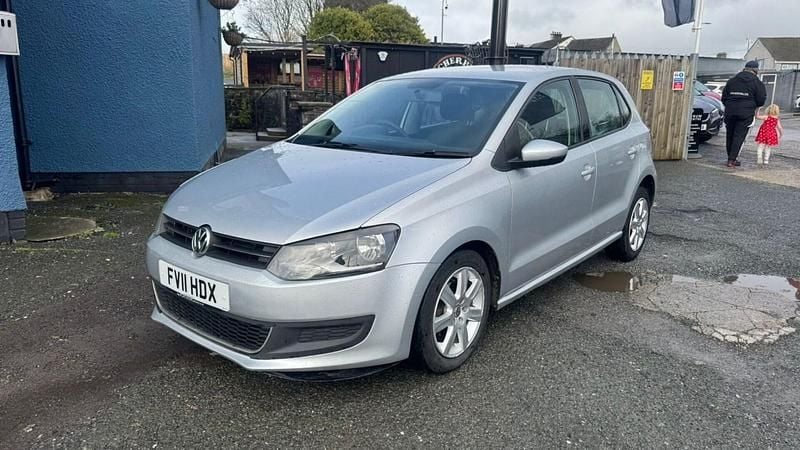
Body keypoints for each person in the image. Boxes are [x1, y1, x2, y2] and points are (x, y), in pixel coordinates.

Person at [721, 60, 767, 168]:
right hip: (746, 113)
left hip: (730, 111)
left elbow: (724, 97)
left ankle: (730, 158)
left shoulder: (732, 81)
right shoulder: (757, 83)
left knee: (730, 135)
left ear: (745, 68)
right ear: (756, 70)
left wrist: (730, 105)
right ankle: (732, 160)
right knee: (739, 136)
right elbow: (761, 100)